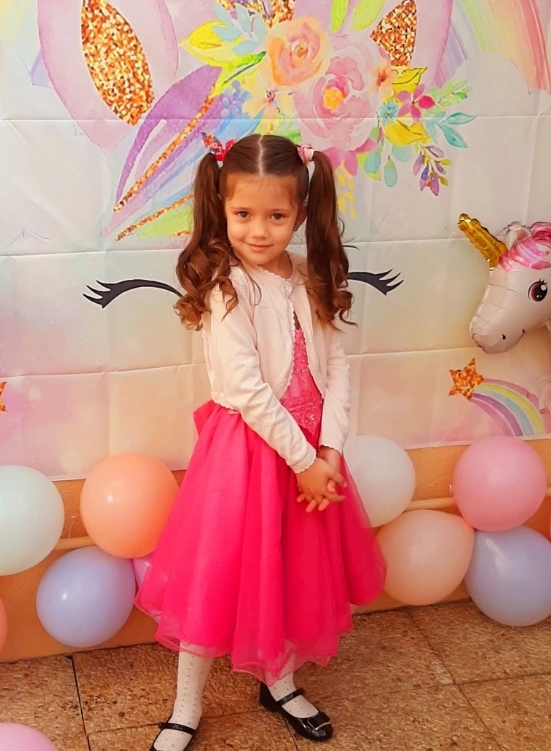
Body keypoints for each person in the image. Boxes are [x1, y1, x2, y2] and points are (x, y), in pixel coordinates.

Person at [136, 133, 387, 750]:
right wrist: (304, 460)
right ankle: (186, 706)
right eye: (244, 213)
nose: (258, 230)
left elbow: (336, 368)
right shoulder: (226, 288)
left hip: (309, 457)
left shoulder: (310, 277)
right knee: (215, 576)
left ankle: (281, 682)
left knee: (293, 571)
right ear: (222, 208)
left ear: (300, 213)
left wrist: (329, 452)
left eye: (276, 216)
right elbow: (246, 389)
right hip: (247, 455)